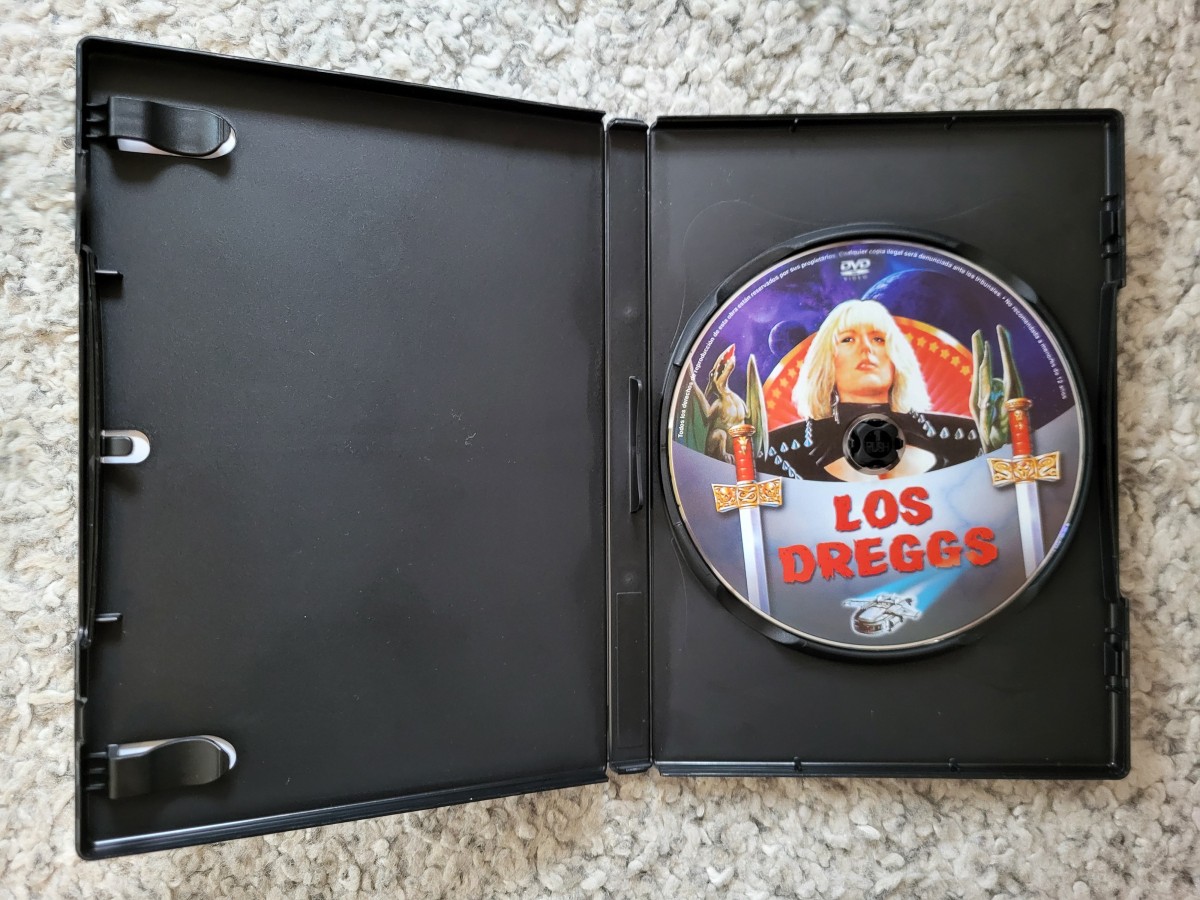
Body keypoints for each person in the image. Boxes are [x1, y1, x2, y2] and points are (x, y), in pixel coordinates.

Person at [758, 299, 981, 482]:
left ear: (896, 358)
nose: (866, 348)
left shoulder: (969, 436)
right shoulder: (778, 451)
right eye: (847, 339)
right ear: (827, 361)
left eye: (878, 339)